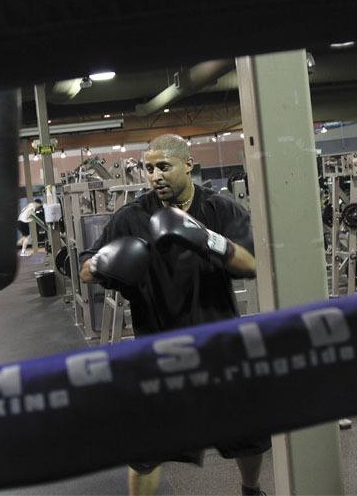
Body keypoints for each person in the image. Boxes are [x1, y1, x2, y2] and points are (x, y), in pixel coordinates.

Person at [79, 134, 269, 496]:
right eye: (148, 168)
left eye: (163, 167)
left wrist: (205, 238)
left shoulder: (220, 209)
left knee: (250, 434)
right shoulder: (131, 218)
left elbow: (252, 264)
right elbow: (85, 270)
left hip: (219, 340)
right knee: (146, 451)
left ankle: (252, 490)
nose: (155, 176)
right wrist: (104, 262)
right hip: (158, 348)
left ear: (188, 165)